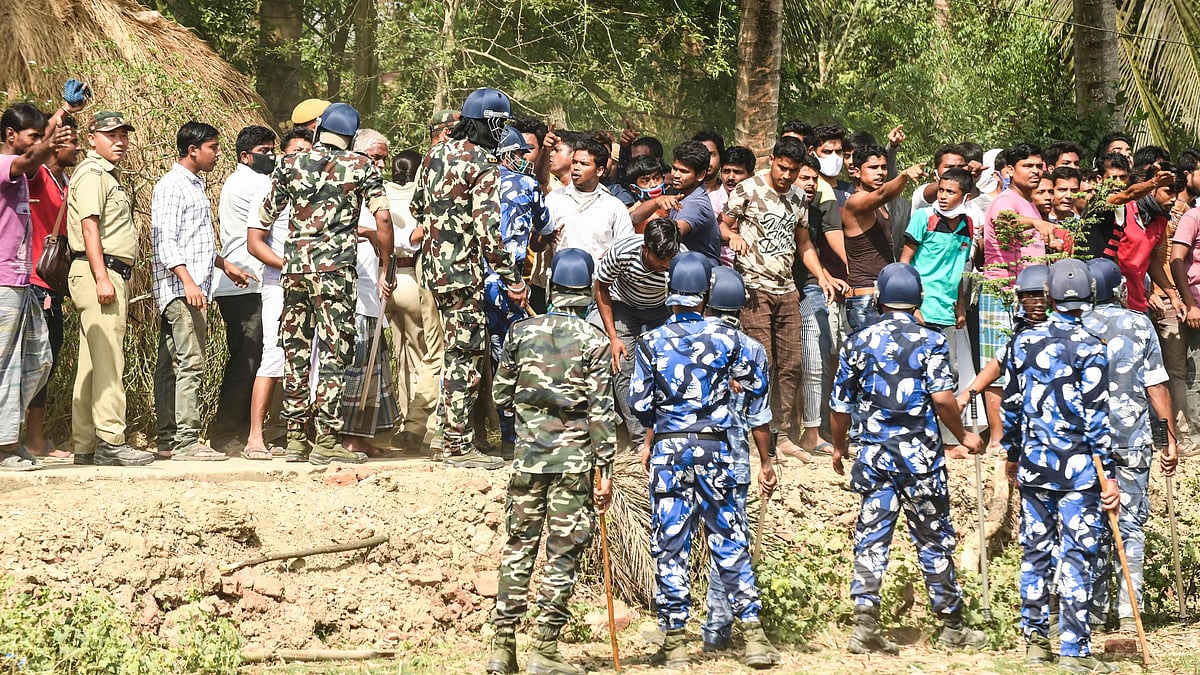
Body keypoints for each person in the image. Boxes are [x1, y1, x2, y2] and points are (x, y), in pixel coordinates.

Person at [630, 251, 780, 670]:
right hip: (717, 449)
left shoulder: (650, 342)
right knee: (729, 538)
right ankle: (754, 637)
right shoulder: (732, 340)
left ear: (669, 292)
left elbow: (640, 405)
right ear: (704, 296)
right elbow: (756, 387)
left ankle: (675, 642)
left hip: (669, 450)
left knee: (670, 544)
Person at [829, 262, 987, 656]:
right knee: (933, 538)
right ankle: (951, 624)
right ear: (917, 299)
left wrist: (837, 445)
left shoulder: (858, 342)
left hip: (875, 459)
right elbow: (942, 398)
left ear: (880, 299)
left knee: (872, 539)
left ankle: (864, 624)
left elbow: (839, 406)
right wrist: (965, 435)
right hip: (920, 463)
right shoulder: (930, 341)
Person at [486, 248, 616, 675]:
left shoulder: (520, 334)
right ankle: (545, 648)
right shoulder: (595, 342)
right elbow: (601, 412)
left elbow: (501, 398)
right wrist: (606, 469)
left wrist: (530, 416)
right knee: (562, 554)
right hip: (574, 466)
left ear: (555, 286)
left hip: (527, 460)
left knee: (518, 547)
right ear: (585, 292)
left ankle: (501, 649)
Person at [1002, 258, 1120, 673]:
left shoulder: (1023, 342)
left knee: (1035, 553)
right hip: (1080, 473)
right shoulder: (1092, 345)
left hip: (1035, 467)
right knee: (1076, 555)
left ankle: (1035, 641)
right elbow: (1096, 418)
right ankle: (1073, 649)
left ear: (1049, 296)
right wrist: (1109, 474)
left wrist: (1012, 454)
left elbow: (1011, 405)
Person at [259, 102, 394, 465]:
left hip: (295, 272)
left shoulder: (288, 164)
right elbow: (382, 218)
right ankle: (327, 440)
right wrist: (387, 262)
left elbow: (263, 218)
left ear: (320, 131)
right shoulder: (360, 165)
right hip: (335, 274)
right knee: (336, 352)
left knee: (296, 351)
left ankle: (295, 440)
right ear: (350, 136)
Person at [411, 87, 525, 469]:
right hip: (462, 273)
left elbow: (416, 208)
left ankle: (445, 436)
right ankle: (455, 445)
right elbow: (488, 230)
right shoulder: (482, 164)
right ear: (488, 125)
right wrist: (514, 277)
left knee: (451, 354)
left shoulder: (432, 156)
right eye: (500, 125)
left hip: (433, 271)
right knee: (465, 357)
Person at [721, 136, 838, 462]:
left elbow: (804, 245)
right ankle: (759, 434)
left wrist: (823, 276)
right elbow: (723, 224)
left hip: (787, 289)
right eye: (782, 167)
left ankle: (783, 433)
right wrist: (732, 236)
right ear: (772, 159)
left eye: (793, 170)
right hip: (754, 287)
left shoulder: (799, 199)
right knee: (763, 362)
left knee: (791, 364)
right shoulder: (748, 189)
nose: (786, 175)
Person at [1083, 258, 1179, 633]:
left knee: (1091, 524)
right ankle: (1128, 613)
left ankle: (1092, 613)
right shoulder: (1139, 323)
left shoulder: (1074, 325)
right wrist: (1169, 439)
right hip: (1132, 440)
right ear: (1120, 290)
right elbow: (1157, 386)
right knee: (1131, 526)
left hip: (1088, 447)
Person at [151, 121, 254, 461]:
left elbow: (194, 242)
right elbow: (166, 241)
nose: (218, 153)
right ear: (192, 150)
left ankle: (168, 438)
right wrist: (188, 282)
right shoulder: (172, 186)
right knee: (191, 362)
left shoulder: (194, 186)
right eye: (213, 147)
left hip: (189, 285)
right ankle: (186, 441)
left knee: (171, 363)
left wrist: (225, 265)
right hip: (182, 290)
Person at [67, 112, 154, 466]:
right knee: (109, 362)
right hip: (98, 272)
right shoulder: (93, 175)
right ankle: (110, 440)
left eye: (123, 134)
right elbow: (90, 227)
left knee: (91, 363)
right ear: (91, 139)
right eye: (110, 134)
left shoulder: (104, 176)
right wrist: (103, 277)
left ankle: (85, 444)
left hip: (95, 272)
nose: (119, 140)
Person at [700, 266, 772, 653]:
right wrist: (767, 461)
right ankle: (717, 630)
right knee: (728, 543)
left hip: (685, 455)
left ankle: (673, 634)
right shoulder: (753, 350)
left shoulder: (687, 340)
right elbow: (760, 417)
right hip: (733, 458)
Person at [0, 103, 68, 470]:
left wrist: (63, 111)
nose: (40, 144)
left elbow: (34, 154)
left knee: (38, 357)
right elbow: (29, 161)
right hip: (3, 282)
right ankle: (5, 445)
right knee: (4, 366)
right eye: (33, 137)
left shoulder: (22, 170)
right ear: (11, 136)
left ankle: (9, 436)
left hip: (22, 282)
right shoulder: (4, 166)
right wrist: (51, 138)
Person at [245, 127, 313, 460]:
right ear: (282, 157)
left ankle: (301, 435)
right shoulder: (271, 194)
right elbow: (254, 242)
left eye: (307, 152)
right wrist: (290, 266)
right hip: (279, 285)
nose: (300, 158)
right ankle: (254, 436)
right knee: (273, 356)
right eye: (293, 152)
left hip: (313, 287)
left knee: (311, 359)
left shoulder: (318, 193)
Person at [209, 125, 277, 454]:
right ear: (245, 156)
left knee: (252, 358)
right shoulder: (249, 184)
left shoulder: (250, 180)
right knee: (246, 361)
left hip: (250, 281)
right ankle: (226, 434)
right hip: (245, 283)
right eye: (265, 151)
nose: (272, 157)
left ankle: (242, 431)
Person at [485, 125, 549, 451]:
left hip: (475, 284)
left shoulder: (478, 182)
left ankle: (465, 434)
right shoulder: (527, 183)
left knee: (473, 360)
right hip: (511, 283)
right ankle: (512, 438)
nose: (525, 159)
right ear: (508, 154)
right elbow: (546, 224)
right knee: (512, 360)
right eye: (521, 154)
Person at [592, 218, 680, 448]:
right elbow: (601, 286)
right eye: (660, 259)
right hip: (624, 307)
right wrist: (613, 337)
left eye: (670, 258)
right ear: (645, 248)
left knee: (670, 365)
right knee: (621, 364)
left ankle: (668, 432)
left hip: (662, 309)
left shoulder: (680, 261)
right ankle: (640, 440)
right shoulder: (623, 252)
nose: (665, 264)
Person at [24, 108, 80, 461]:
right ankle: (26, 440)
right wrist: (63, 112)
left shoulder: (68, 183)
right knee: (33, 362)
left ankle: (34, 439)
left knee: (48, 361)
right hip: (30, 281)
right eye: (70, 141)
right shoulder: (35, 175)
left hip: (52, 285)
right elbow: (30, 154)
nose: (76, 148)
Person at [341, 129, 399, 454]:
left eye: (382, 159)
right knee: (356, 363)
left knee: (376, 364)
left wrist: (387, 269)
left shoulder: (379, 191)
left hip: (374, 289)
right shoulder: (344, 186)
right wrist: (367, 231)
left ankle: (365, 435)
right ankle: (346, 436)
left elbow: (389, 229)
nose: (378, 164)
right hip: (353, 288)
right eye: (374, 158)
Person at [383, 149, 443, 454]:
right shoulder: (421, 198)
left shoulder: (380, 193)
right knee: (425, 356)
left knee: (400, 353)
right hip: (411, 277)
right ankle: (420, 424)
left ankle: (401, 417)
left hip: (384, 279)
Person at [841, 144, 924, 330]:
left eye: (883, 167)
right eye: (873, 167)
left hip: (884, 296)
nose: (880, 173)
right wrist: (904, 176)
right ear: (855, 171)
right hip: (865, 299)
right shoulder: (856, 202)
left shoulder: (878, 205)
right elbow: (883, 193)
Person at [536, 135, 633, 266]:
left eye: (584, 164)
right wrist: (545, 238)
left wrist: (614, 254)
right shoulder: (554, 199)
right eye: (574, 162)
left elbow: (627, 248)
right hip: (559, 282)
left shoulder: (614, 207)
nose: (576, 167)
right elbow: (535, 246)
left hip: (598, 283)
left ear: (599, 171)